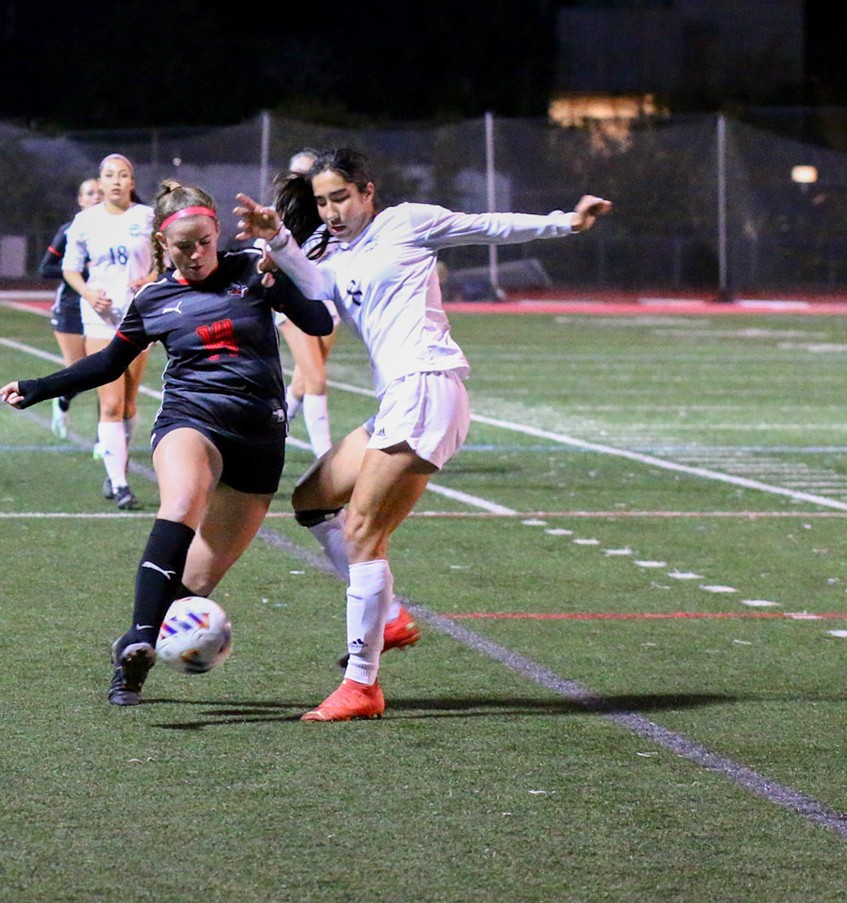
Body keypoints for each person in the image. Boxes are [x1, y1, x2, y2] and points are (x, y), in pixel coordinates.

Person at [236, 147, 611, 721]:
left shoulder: (405, 223)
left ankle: (361, 685)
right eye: (322, 202)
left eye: (341, 197)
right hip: (400, 397)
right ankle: (387, 616)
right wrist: (279, 240)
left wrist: (567, 221)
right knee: (312, 500)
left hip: (428, 386)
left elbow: (487, 227)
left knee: (362, 531)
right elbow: (313, 289)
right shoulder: (331, 251)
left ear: (367, 192)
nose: (332, 211)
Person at [4, 180, 334, 704]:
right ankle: (137, 649)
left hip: (260, 439)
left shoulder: (253, 269)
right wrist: (39, 387)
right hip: (191, 419)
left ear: (217, 233)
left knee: (196, 583)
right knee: (182, 502)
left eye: (204, 242)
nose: (197, 254)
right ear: (162, 244)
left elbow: (316, 321)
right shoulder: (154, 298)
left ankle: (131, 642)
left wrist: (284, 276)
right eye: (183, 246)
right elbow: (109, 362)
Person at [61, 154, 155, 509]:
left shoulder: (147, 217)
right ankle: (120, 484)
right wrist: (88, 293)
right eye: (110, 175)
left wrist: (149, 279)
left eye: (123, 174)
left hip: (139, 317)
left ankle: (117, 466)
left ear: (132, 182)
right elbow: (70, 269)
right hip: (100, 318)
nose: (116, 180)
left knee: (128, 404)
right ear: (100, 183)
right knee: (111, 402)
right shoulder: (85, 221)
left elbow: (164, 261)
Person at [274, 150, 338, 456]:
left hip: (328, 305)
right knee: (316, 380)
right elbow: (266, 254)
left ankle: (271, 434)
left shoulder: (330, 213)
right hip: (293, 304)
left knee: (302, 383)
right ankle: (325, 459)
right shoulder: (279, 215)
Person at [38, 177, 102, 438]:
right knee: (79, 374)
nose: (96, 197)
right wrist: (81, 271)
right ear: (81, 200)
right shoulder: (69, 230)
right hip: (72, 307)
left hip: (105, 308)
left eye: (100, 192)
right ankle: (62, 400)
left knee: (106, 372)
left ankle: (105, 438)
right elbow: (45, 268)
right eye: (90, 193)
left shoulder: (120, 228)